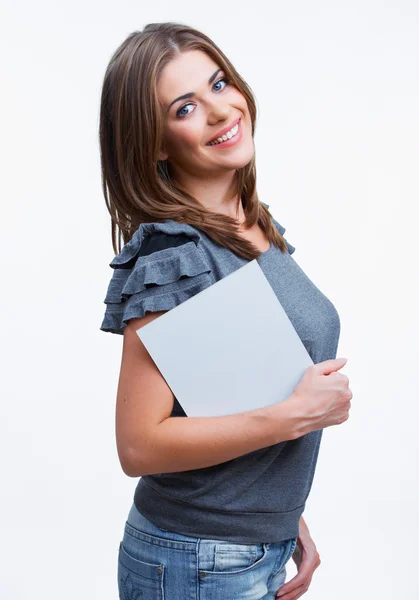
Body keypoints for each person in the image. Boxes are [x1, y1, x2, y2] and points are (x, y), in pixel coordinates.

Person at [99, 22, 353, 600]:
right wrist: (296, 416)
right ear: (155, 140)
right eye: (186, 107)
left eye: (219, 84)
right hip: (197, 560)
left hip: (244, 550)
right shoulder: (176, 252)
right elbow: (138, 445)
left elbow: (231, 397)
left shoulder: (253, 226)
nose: (219, 111)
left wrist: (285, 521)